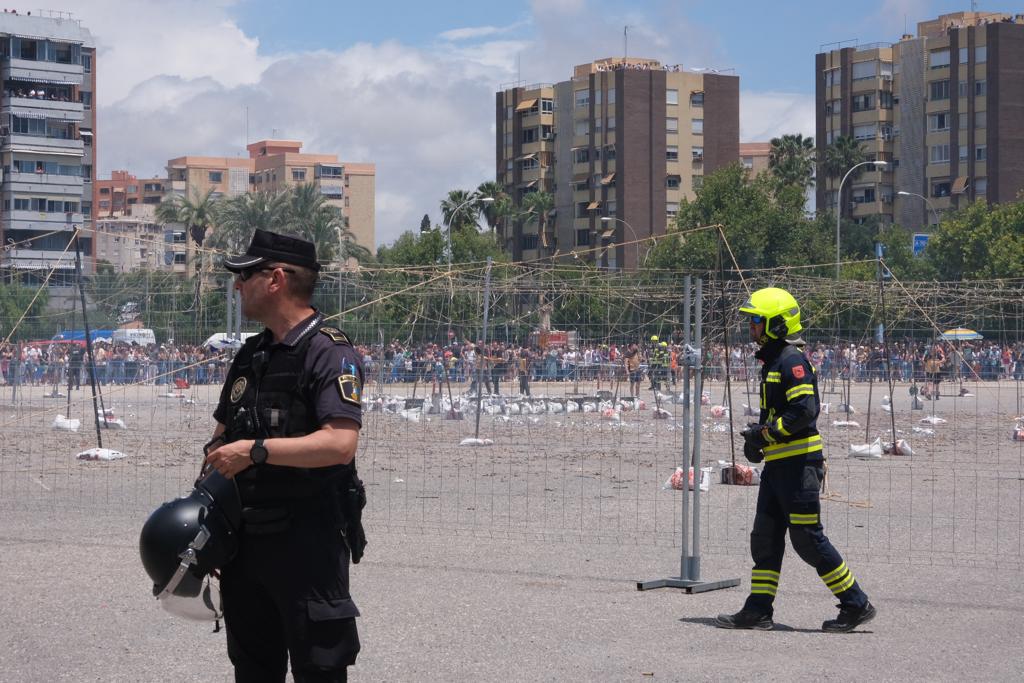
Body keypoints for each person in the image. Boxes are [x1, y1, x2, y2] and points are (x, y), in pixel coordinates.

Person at [204, 229, 364, 680]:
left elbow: (340, 443)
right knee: (253, 671)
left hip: (307, 547)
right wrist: (209, 525)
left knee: (319, 670)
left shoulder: (329, 352)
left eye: (245, 276)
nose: (237, 285)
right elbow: (219, 446)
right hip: (245, 548)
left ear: (275, 279)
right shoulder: (251, 355)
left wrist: (255, 452)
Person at [716, 287, 875, 633]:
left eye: (757, 320)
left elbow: (804, 411)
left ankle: (856, 603)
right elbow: (779, 412)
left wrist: (767, 435)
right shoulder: (773, 361)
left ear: (776, 323)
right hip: (778, 467)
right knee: (765, 538)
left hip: (799, 466)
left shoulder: (791, 360)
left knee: (807, 540)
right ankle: (759, 609)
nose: (752, 327)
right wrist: (758, 439)